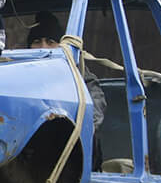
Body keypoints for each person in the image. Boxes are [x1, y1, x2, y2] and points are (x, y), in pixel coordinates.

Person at [28, 10, 107, 170]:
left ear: (60, 45)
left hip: (68, 142)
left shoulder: (75, 70)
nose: (43, 47)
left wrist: (85, 126)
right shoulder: (20, 72)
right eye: (37, 41)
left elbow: (95, 100)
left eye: (50, 41)